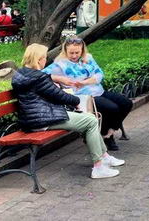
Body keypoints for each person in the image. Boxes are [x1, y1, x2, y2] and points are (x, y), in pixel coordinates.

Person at [12, 43, 124, 179]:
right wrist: (76, 102)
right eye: (44, 58)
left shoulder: (21, 74)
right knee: (91, 120)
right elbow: (59, 95)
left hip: (34, 118)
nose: (45, 61)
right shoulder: (37, 78)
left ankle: (104, 157)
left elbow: (45, 89)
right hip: (42, 120)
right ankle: (99, 166)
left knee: (88, 120)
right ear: (38, 59)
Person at [43, 37, 133, 152]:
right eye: (71, 53)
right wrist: (59, 78)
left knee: (126, 103)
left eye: (77, 52)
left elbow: (99, 74)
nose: (74, 55)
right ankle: (106, 135)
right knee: (112, 108)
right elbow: (41, 75)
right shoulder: (60, 64)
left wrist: (85, 82)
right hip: (83, 97)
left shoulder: (87, 58)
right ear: (65, 51)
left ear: (82, 50)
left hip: (98, 91)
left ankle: (109, 131)